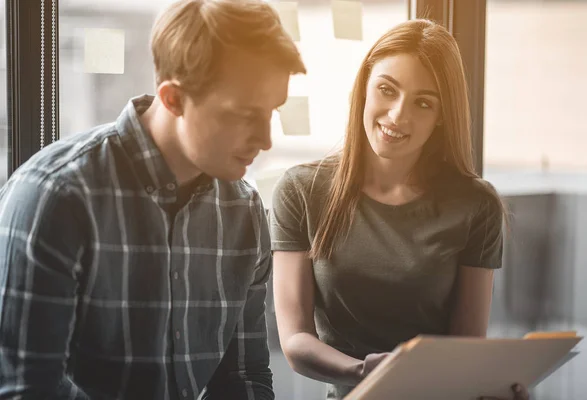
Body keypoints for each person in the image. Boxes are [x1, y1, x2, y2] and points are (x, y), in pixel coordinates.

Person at [0, 0, 305, 398]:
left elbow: (244, 379)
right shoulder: (55, 197)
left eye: (271, 113)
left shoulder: (242, 210)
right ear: (174, 98)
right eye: (244, 115)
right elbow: (26, 391)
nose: (266, 140)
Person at [269, 19, 529, 400]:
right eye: (387, 90)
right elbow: (295, 340)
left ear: (442, 116)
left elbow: (465, 348)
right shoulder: (301, 191)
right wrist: (362, 370)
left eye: (423, 102)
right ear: (364, 88)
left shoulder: (477, 206)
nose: (397, 116)